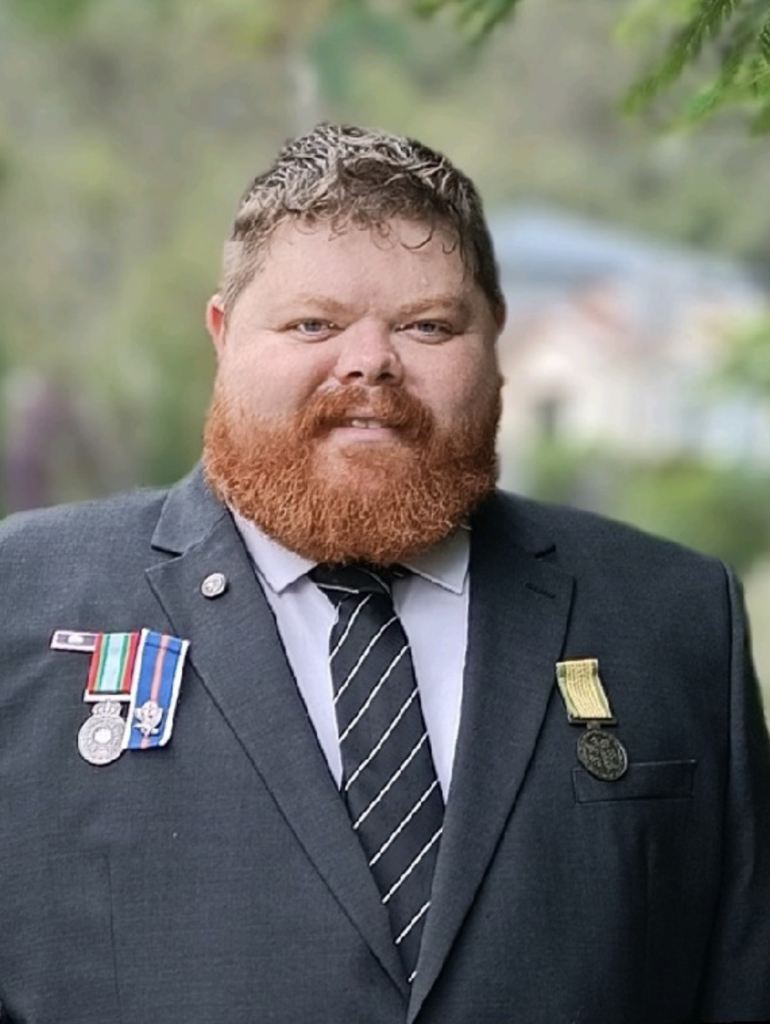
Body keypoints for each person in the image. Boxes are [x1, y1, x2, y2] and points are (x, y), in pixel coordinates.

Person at [0, 123, 768, 1024]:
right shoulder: (21, 598)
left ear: (495, 341)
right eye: (313, 324)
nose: (370, 362)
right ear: (223, 334)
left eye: (427, 325)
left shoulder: (675, 618)